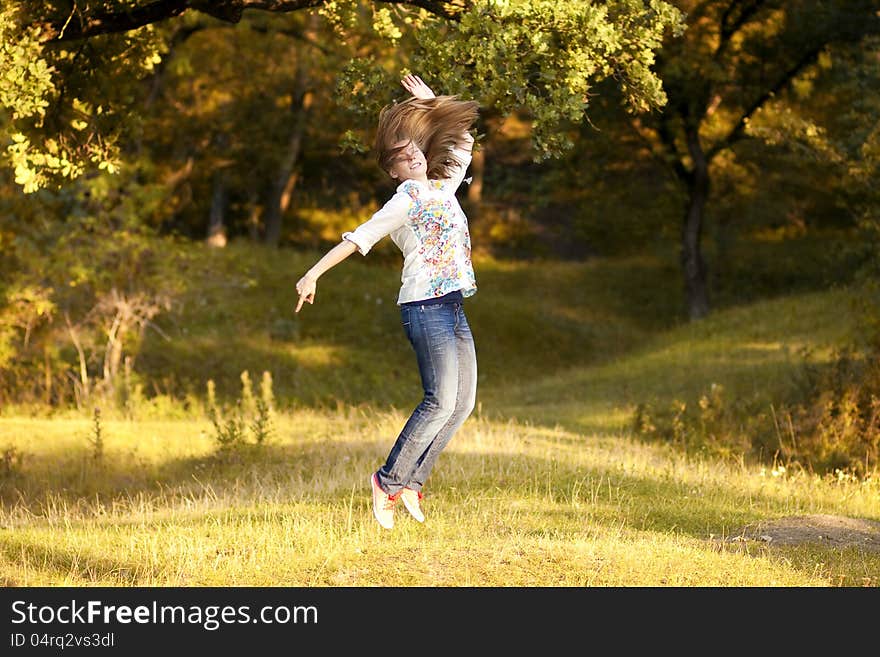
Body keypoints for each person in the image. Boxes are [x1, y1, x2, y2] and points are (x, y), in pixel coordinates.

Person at [294, 74, 480, 530]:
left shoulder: (442, 186)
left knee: (463, 403)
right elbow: (360, 239)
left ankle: (413, 482)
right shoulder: (405, 199)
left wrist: (431, 103)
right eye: (400, 156)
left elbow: (465, 142)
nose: (411, 154)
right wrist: (313, 273)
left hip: (451, 304)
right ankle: (387, 480)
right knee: (439, 401)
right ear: (394, 170)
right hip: (423, 308)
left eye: (412, 147)